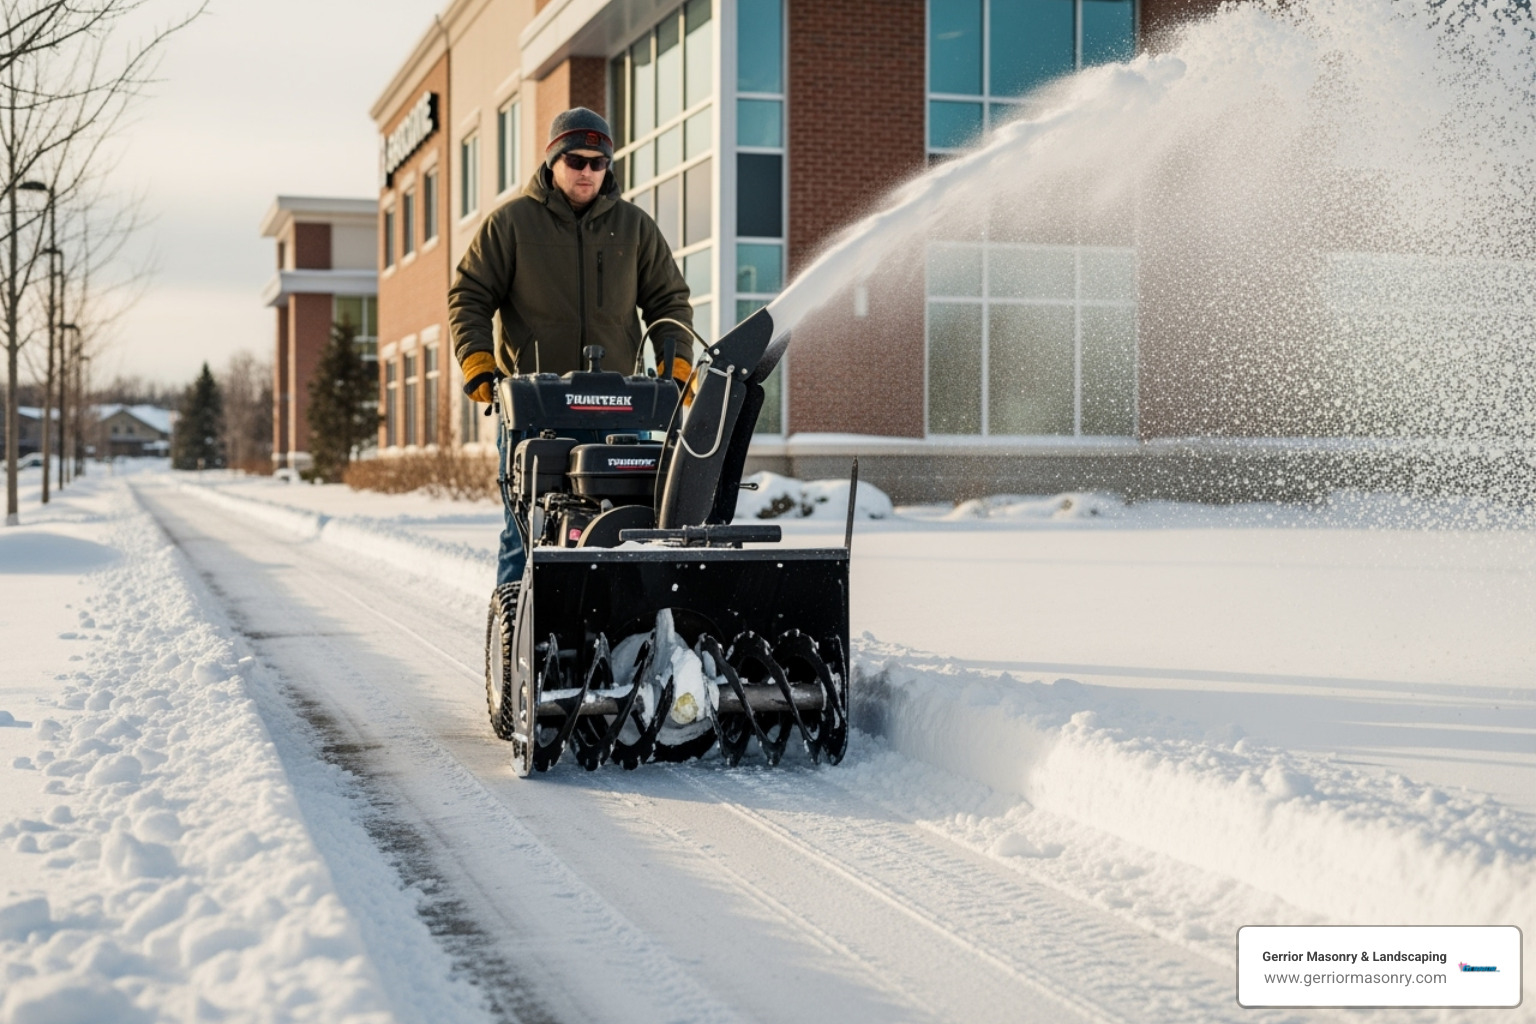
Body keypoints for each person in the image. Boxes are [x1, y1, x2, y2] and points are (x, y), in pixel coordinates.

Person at [449, 107, 695, 590]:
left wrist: (675, 363)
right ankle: (516, 640)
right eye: (576, 160)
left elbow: (669, 301)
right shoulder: (512, 224)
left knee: (622, 527)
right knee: (527, 533)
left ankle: (613, 634)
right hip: (536, 411)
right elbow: (470, 294)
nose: (587, 171)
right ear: (553, 160)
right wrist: (479, 364)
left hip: (622, 411)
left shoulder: (635, 227)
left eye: (597, 162)